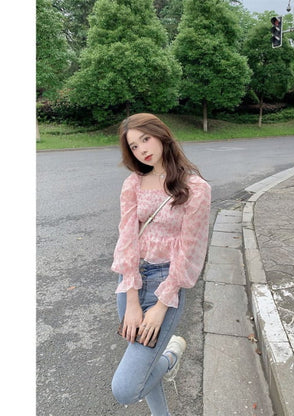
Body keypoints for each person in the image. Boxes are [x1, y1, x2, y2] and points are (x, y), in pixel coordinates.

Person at [110, 113, 211, 415]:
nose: (142, 149)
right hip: (131, 278)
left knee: (126, 387)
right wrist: (130, 298)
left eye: (146, 139)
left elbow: (190, 250)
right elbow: (127, 238)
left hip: (166, 281)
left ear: (161, 135)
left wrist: (161, 305)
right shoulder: (133, 184)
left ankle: (170, 356)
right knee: (142, 362)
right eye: (134, 146)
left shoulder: (195, 188)